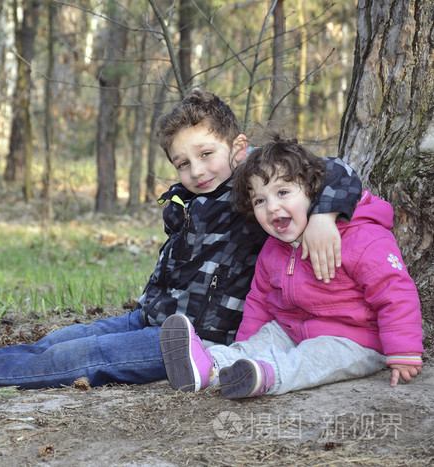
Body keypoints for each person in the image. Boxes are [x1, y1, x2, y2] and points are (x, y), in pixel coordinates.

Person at [0, 91, 363, 396]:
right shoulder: (185, 202)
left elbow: (337, 170)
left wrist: (324, 216)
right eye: (182, 162)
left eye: (206, 154)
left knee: (88, 358)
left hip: (193, 340)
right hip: (147, 315)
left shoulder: (254, 192)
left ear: (238, 149)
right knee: (61, 340)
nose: (196, 170)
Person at [159, 136, 423, 399]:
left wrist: (404, 351)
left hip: (353, 339)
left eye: (283, 192)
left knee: (313, 358)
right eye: (259, 201)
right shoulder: (273, 248)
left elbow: (395, 292)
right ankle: (210, 365)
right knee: (264, 339)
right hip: (290, 330)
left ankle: (264, 375)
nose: (272, 207)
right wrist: (247, 344)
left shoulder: (362, 238)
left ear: (313, 191)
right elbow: (259, 302)